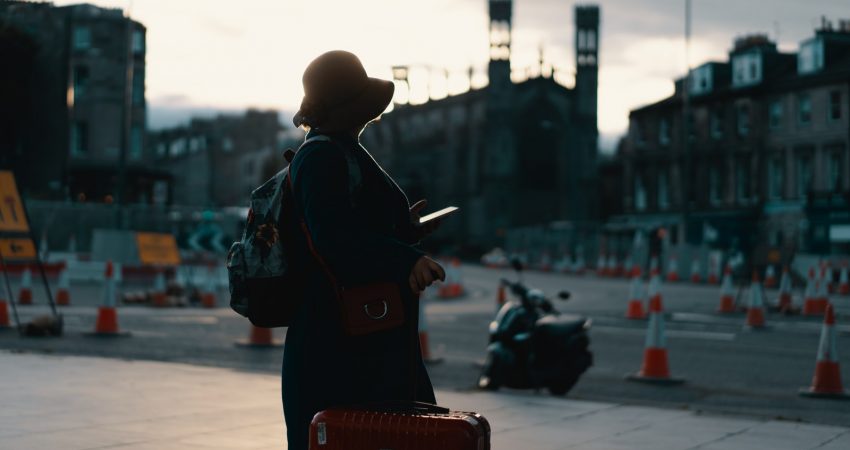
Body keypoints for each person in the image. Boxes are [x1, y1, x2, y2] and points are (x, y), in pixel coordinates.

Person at [283, 50, 447, 449]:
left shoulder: (339, 150)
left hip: (360, 331)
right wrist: (406, 258)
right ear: (342, 108)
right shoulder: (323, 156)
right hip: (343, 342)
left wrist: (400, 227)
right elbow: (334, 239)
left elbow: (350, 225)